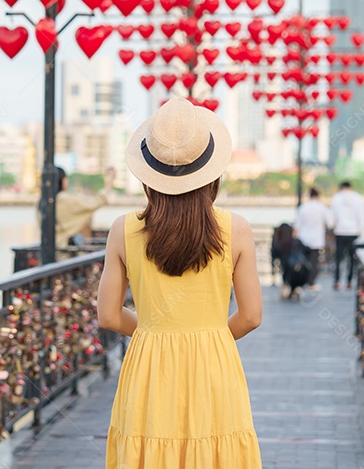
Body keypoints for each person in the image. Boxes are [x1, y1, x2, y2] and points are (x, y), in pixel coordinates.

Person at [97, 98, 262, 468]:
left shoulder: (123, 229)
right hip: (213, 361)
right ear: (211, 173)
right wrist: (210, 335)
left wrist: (157, 329)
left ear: (147, 175)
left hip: (149, 365)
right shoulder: (236, 229)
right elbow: (251, 316)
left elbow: (108, 316)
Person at [53, 166, 116, 246]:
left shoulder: (42, 203)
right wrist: (110, 181)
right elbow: (96, 201)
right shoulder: (67, 201)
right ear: (63, 181)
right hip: (63, 251)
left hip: (48, 250)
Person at [293, 187, 333, 292]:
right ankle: (311, 283)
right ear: (318, 195)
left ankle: (302, 282)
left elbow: (297, 225)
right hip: (316, 240)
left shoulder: (303, 207)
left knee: (303, 262)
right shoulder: (322, 208)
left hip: (303, 239)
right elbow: (330, 223)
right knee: (314, 262)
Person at [331, 181, 364, 290]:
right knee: (352, 259)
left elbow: (332, 216)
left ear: (341, 187)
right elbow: (362, 216)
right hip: (354, 232)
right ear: (351, 187)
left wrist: (333, 227)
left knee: (338, 258)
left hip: (340, 232)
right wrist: (361, 230)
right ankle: (349, 281)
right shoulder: (358, 198)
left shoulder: (336, 198)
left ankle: (337, 281)